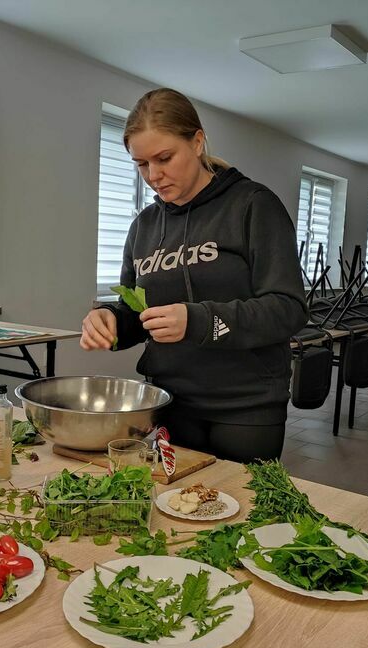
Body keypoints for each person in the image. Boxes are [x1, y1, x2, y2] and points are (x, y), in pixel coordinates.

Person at [80, 88, 308, 463]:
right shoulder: (145, 226)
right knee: (175, 510)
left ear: (197, 142)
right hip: (167, 403)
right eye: (141, 164)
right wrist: (111, 322)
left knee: (241, 512)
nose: (154, 175)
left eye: (165, 158)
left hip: (246, 407)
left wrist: (199, 320)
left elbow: (288, 309)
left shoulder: (253, 205)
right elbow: (137, 314)